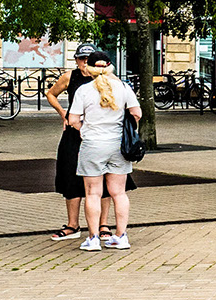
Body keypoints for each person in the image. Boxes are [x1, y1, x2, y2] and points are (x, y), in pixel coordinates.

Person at [46, 46, 132, 242]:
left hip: (99, 138)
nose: (84, 62)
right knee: (70, 177)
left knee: (104, 181)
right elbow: (51, 94)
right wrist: (63, 114)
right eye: (81, 58)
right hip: (76, 136)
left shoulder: (112, 81)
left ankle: (103, 225)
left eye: (88, 59)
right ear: (76, 60)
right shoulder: (71, 78)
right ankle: (72, 224)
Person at [68, 54, 143, 251]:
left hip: (92, 145)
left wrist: (84, 129)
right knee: (119, 192)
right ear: (110, 67)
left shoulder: (83, 90)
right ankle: (121, 236)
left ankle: (93, 239)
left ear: (89, 68)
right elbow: (137, 113)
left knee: (93, 193)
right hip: (118, 145)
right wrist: (125, 127)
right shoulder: (124, 88)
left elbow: (73, 119)